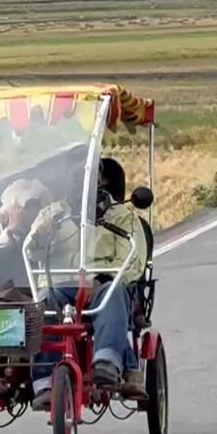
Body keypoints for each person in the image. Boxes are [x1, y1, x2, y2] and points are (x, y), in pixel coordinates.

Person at [27, 158, 148, 409]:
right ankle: (43, 382)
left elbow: (133, 261)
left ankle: (107, 362)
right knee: (42, 303)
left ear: (101, 180)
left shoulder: (123, 218)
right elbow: (30, 253)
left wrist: (101, 280)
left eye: (86, 175)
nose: (79, 181)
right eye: (74, 175)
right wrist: (40, 240)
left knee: (111, 295)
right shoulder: (51, 214)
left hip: (104, 284)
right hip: (60, 285)